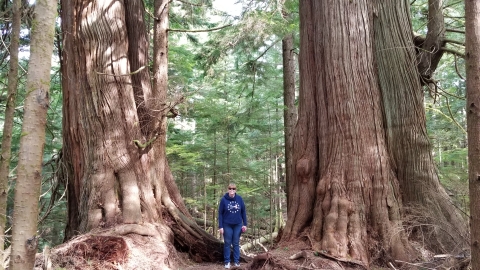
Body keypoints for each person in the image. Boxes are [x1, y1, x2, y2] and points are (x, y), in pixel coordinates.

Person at [218, 183, 248, 269]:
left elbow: (243, 212)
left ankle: (236, 261)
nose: (232, 190)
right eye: (230, 189)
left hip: (238, 224)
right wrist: (220, 226)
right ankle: (227, 262)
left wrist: (245, 224)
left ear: (235, 190)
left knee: (236, 243)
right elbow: (220, 213)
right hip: (227, 224)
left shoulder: (239, 199)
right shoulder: (223, 200)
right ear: (228, 190)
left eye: (233, 189)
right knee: (227, 243)